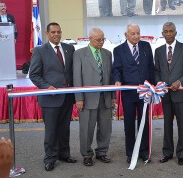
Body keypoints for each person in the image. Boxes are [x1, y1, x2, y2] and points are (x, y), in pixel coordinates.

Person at [29, 22, 76, 171]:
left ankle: (64, 154)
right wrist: (46, 86)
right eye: (53, 32)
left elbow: (70, 72)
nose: (56, 34)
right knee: (51, 130)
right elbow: (34, 74)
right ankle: (50, 158)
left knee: (65, 128)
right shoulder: (40, 51)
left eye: (59, 32)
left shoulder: (69, 48)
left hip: (67, 97)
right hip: (50, 98)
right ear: (47, 34)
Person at [112, 24, 154, 163]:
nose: (136, 36)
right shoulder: (118, 50)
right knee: (129, 124)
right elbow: (117, 69)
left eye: (138, 33)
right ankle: (130, 153)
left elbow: (150, 68)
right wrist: (117, 80)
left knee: (144, 122)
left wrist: (152, 85)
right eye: (133, 34)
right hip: (129, 93)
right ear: (126, 35)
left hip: (145, 93)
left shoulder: (146, 46)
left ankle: (144, 151)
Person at [73, 28, 115, 166]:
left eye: (103, 39)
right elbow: (77, 78)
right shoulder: (79, 54)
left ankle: (102, 152)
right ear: (90, 39)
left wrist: (113, 95)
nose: (101, 42)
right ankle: (86, 154)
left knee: (105, 128)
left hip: (105, 98)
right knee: (86, 128)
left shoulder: (107, 54)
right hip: (87, 99)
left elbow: (111, 76)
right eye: (98, 40)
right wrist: (79, 98)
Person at [154, 22, 183, 165]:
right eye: (166, 31)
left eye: (171, 31)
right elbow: (156, 71)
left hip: (180, 93)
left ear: (176, 33)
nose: (169, 34)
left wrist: (180, 82)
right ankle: (167, 152)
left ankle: (182, 154)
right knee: (166, 124)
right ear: (162, 33)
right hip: (166, 94)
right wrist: (159, 83)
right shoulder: (158, 51)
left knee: (182, 125)